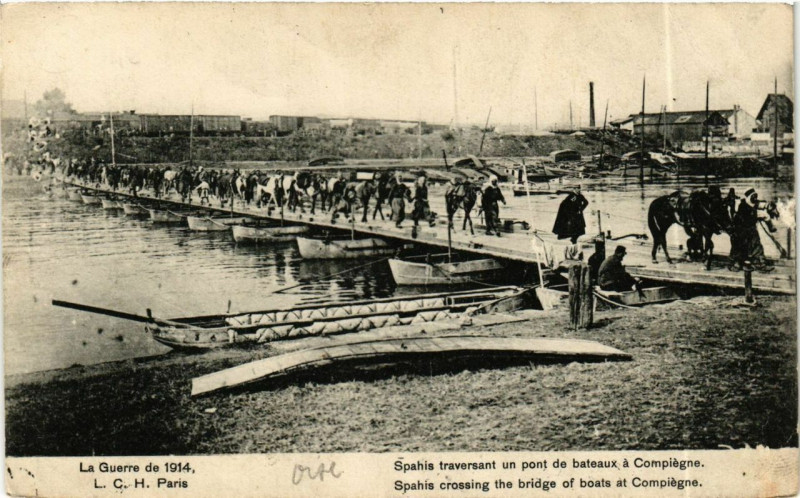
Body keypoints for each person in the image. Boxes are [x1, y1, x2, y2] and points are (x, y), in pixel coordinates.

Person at [729, 188, 772, 272]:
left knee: (757, 247)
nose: (755, 198)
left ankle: (760, 265)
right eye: (753, 196)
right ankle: (737, 264)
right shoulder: (743, 206)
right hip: (741, 231)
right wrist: (759, 216)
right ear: (749, 197)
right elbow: (747, 218)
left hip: (751, 230)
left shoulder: (752, 204)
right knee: (739, 248)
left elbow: (760, 206)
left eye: (756, 196)